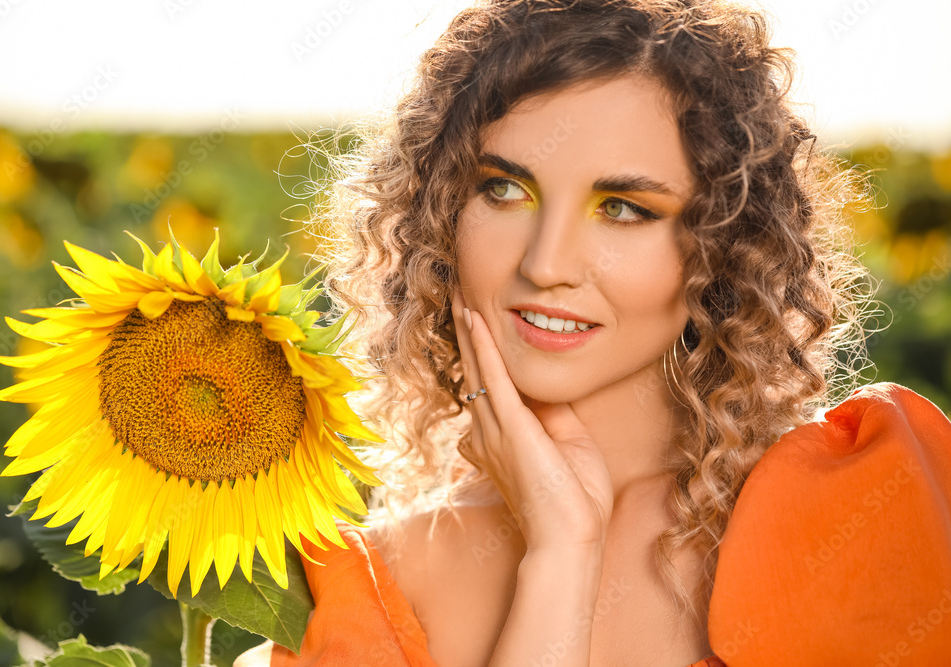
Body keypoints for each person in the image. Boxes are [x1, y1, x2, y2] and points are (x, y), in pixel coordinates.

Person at [237, 0, 951, 665]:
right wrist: (559, 558)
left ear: (727, 245)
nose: (545, 264)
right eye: (504, 189)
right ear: (440, 213)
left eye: (623, 208)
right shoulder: (353, 590)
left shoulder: (863, 508)